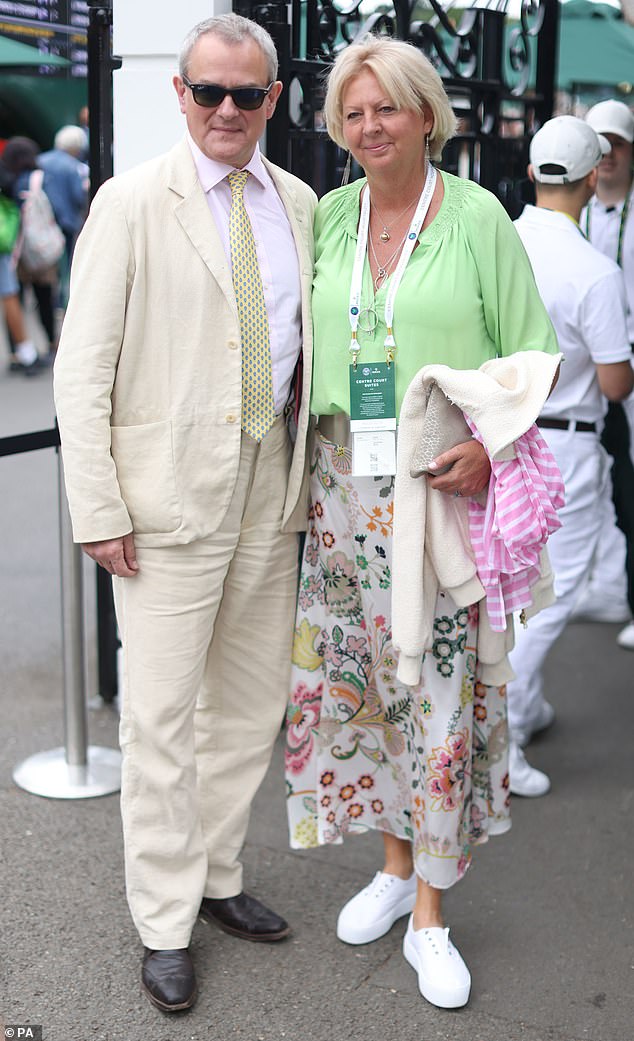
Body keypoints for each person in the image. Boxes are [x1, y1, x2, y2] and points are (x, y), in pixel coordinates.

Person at [284, 35, 560, 1010]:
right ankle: (395, 864)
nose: (369, 127)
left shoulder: (479, 215)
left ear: (426, 114)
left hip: (439, 493)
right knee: (367, 690)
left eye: (387, 109)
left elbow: (534, 353)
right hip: (342, 497)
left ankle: (432, 914)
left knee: (438, 701)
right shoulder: (328, 218)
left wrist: (488, 447)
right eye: (353, 113)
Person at [54, 13, 316, 1014]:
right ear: (179, 93)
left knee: (247, 710)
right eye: (208, 91)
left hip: (268, 489)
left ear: (273, 100)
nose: (226, 110)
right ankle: (163, 922)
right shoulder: (130, 205)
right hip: (161, 501)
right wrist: (97, 506)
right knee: (161, 723)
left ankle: (215, 877)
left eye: (246, 94)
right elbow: (81, 376)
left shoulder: (297, 202)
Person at [506, 116, 634, 797]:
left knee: (508, 585)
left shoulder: (497, 243)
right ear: (592, 177)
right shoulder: (595, 270)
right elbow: (615, 383)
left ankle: (520, 709)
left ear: (532, 171)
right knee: (551, 597)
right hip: (566, 443)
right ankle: (501, 734)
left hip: (499, 433)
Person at [573, 100, 634, 651]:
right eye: (600, 144)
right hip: (585, 366)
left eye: (617, 142)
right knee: (590, 474)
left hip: (625, 364)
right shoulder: (580, 213)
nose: (608, 154)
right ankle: (603, 583)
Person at [2, 136, 60, 364]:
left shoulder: (9, 181)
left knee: (14, 298)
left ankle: (17, 350)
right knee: (45, 297)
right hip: (42, 248)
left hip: (16, 249)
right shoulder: (40, 178)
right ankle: (50, 342)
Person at [38, 125, 88, 266]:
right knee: (67, 264)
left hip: (43, 220)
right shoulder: (74, 166)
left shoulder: (40, 160)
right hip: (67, 221)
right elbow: (79, 196)